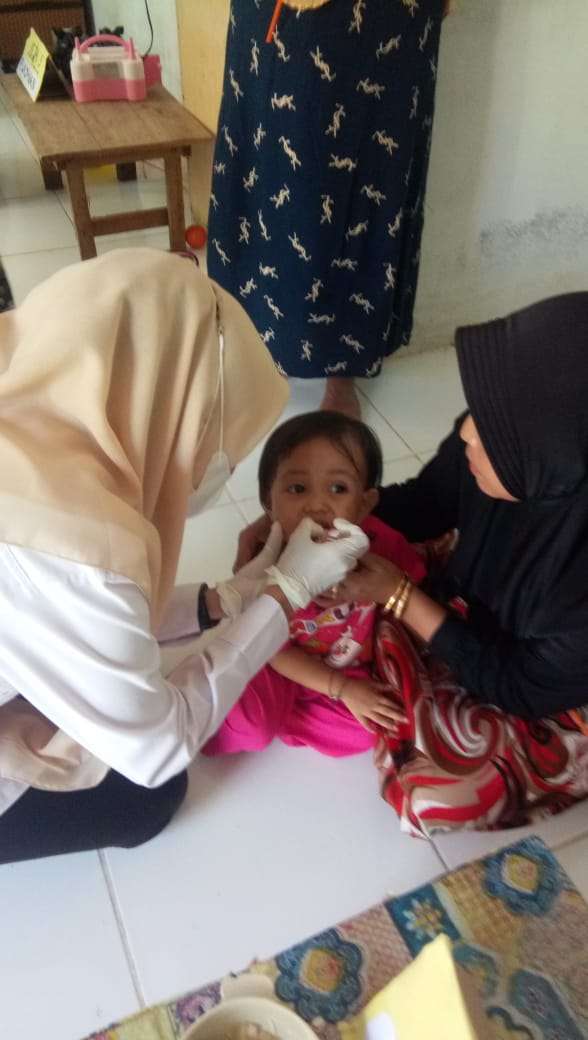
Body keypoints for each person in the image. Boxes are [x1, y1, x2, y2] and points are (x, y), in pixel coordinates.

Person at [0, 248, 370, 864]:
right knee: (151, 792)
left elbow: (57, 614)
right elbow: (155, 749)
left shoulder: (29, 415)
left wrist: (227, 599)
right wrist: (285, 596)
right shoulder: (79, 551)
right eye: (212, 436)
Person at [236, 293, 588, 835]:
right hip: (494, 624)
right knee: (383, 571)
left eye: (493, 434)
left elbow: (517, 687)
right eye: (479, 413)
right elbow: (425, 504)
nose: (466, 431)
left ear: (554, 459)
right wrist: (313, 522)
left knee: (435, 793)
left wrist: (400, 596)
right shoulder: (517, 438)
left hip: (550, 690)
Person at [207, 0, 448, 418]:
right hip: (277, 13)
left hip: (387, 14)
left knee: (371, 174)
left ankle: (343, 369)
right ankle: (258, 346)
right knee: (267, 167)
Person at [205, 411, 425, 757]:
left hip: (347, 667)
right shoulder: (262, 565)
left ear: (365, 503)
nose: (317, 505)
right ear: (268, 502)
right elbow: (274, 652)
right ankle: (226, 724)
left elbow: (413, 589)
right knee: (250, 725)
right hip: (277, 667)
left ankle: (291, 717)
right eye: (297, 488)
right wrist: (341, 689)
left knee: (375, 728)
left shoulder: (382, 546)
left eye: (338, 488)